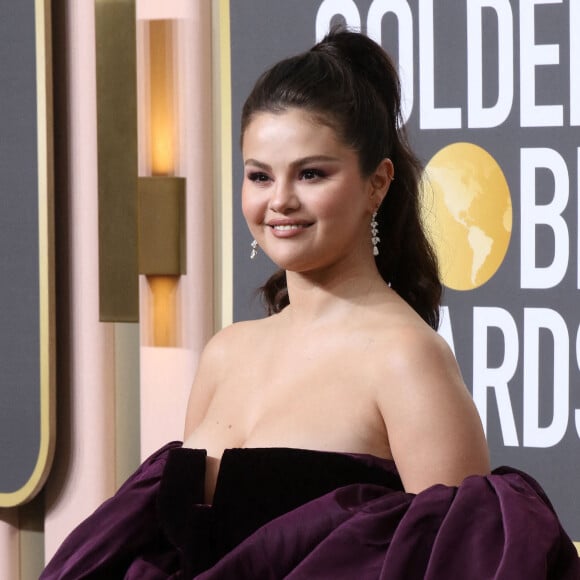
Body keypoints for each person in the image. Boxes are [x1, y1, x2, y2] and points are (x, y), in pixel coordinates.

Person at [42, 28, 579, 579]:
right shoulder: (227, 352)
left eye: (312, 173)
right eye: (259, 176)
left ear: (377, 184)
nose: (280, 201)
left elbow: (460, 564)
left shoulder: (407, 360)